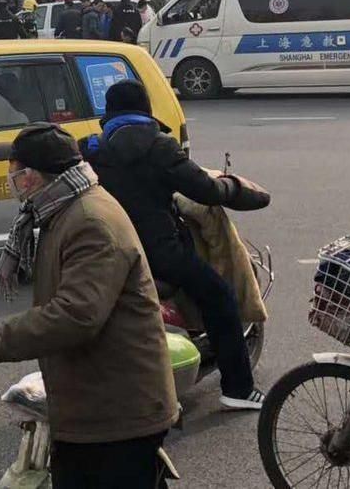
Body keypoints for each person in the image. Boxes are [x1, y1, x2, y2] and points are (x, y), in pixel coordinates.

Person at [0, 122, 179, 488]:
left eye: (17, 173)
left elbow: (75, 315)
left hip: (117, 410)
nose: (13, 182)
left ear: (35, 178)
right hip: (91, 399)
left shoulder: (90, 222)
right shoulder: (60, 211)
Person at [81, 80, 269, 410]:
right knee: (220, 297)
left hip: (106, 252)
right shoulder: (160, 147)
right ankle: (238, 389)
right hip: (160, 254)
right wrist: (236, 188)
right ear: (145, 110)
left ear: (108, 113)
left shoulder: (91, 150)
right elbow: (206, 191)